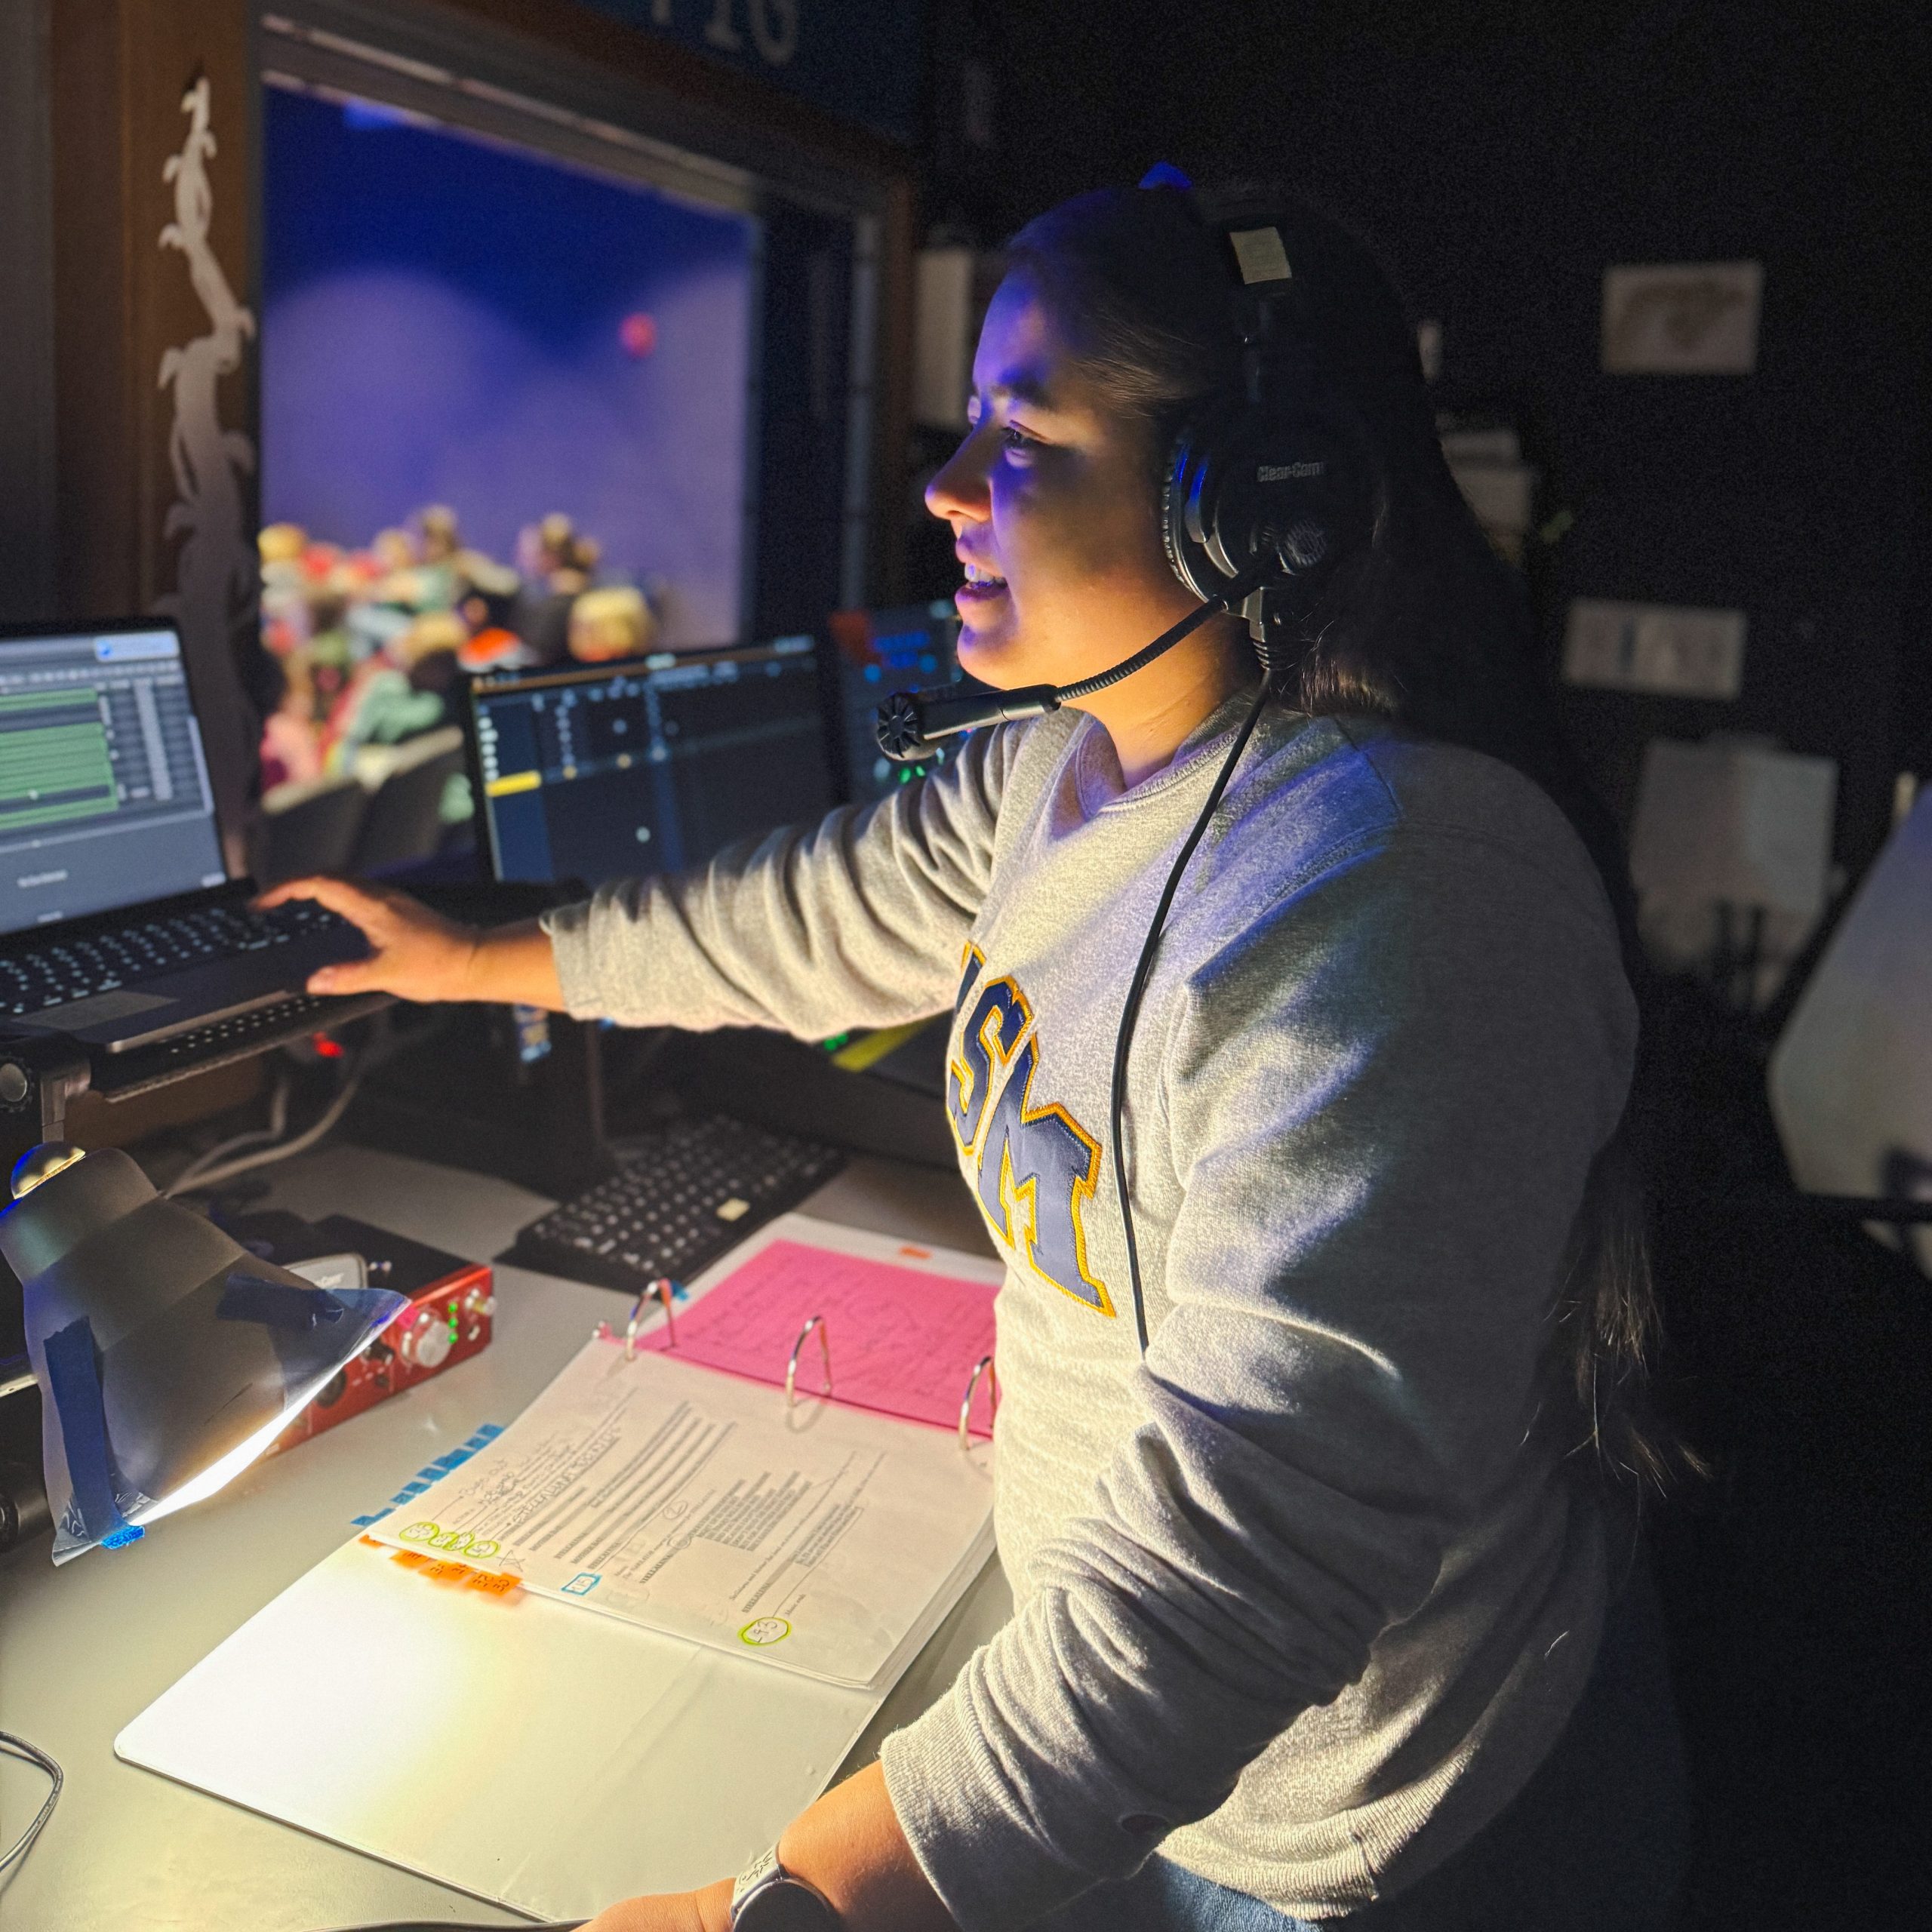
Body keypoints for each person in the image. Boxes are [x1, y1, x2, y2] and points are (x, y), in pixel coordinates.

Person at [262, 181, 1691, 1930]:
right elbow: (801, 918)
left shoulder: (1396, 901)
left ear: (1249, 506)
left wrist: (770, 1904)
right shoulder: (1057, 772)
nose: (943, 488)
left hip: (1342, 1834)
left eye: (1019, 436)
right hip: (1136, 1747)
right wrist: (470, 956)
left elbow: (1251, 1555)